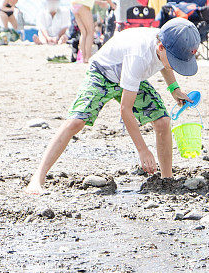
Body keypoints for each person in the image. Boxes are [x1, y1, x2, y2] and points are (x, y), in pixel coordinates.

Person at [25, 18, 200, 194]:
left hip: (130, 76)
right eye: (176, 62)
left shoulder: (166, 43)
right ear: (161, 47)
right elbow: (125, 110)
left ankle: (166, 180)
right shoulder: (139, 55)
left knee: (162, 121)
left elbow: (165, 64)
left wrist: (174, 89)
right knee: (76, 122)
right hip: (102, 73)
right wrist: (143, 150)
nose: (177, 67)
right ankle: (37, 179)